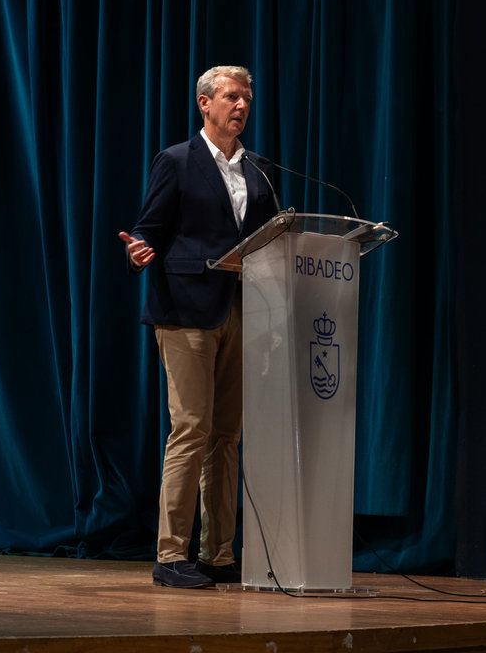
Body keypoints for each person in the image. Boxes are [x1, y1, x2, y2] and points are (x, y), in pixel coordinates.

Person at [118, 65, 278, 588]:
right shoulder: (177, 161)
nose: (242, 106)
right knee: (191, 429)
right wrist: (140, 254)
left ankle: (217, 555)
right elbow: (148, 231)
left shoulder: (257, 172)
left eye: (247, 99)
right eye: (232, 97)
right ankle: (170, 556)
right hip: (186, 312)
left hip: (240, 310)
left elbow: (268, 239)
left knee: (226, 436)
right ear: (204, 104)